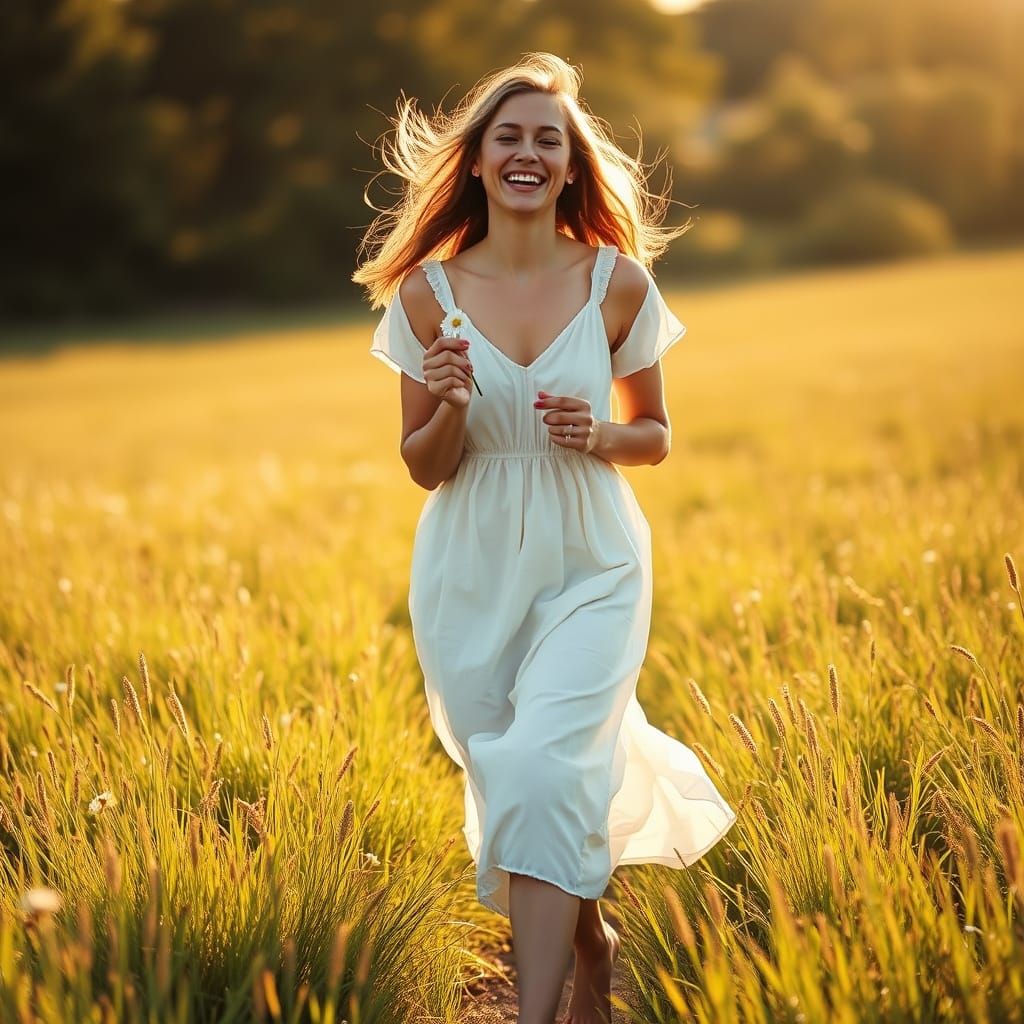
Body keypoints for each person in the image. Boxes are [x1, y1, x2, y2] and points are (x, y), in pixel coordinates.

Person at [352, 52, 736, 1024]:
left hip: (591, 556)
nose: (528, 153)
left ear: (570, 166)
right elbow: (424, 465)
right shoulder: (425, 296)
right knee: (526, 775)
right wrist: (447, 401)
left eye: (547, 140)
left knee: (541, 764)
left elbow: (655, 433)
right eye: (509, 136)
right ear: (478, 160)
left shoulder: (616, 284)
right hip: (471, 564)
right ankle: (592, 945)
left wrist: (598, 433)